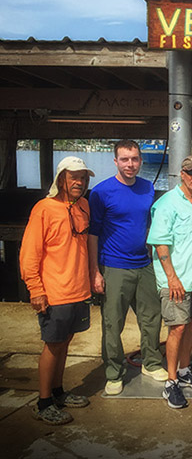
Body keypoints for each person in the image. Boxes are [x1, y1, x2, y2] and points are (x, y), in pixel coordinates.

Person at [88, 140, 167, 396]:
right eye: (124, 159)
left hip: (144, 264)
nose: (130, 164)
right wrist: (95, 272)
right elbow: (93, 234)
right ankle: (114, 372)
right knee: (113, 324)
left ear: (140, 161)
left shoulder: (147, 187)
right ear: (116, 162)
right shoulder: (101, 192)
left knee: (152, 318)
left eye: (134, 159)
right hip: (114, 266)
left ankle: (152, 363)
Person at [19, 156, 94, 425]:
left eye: (83, 177)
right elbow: (29, 254)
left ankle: (59, 391)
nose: (79, 182)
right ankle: (43, 402)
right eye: (74, 177)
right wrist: (35, 290)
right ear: (61, 179)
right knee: (52, 346)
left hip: (78, 290)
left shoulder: (84, 205)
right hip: (54, 292)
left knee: (65, 343)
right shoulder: (44, 208)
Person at [146, 155, 192, 409]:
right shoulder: (167, 203)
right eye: (191, 172)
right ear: (182, 174)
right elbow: (159, 242)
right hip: (176, 280)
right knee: (176, 328)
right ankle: (171, 382)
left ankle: (185, 370)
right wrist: (171, 277)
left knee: (191, 325)